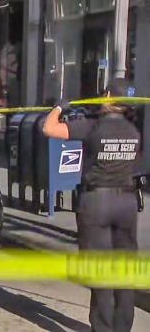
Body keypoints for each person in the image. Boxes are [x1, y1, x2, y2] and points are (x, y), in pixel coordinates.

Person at [43, 78, 140, 332]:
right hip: (127, 202)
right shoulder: (135, 130)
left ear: (107, 98)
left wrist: (59, 108)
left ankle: (103, 328)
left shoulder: (93, 126)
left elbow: (50, 129)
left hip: (97, 202)